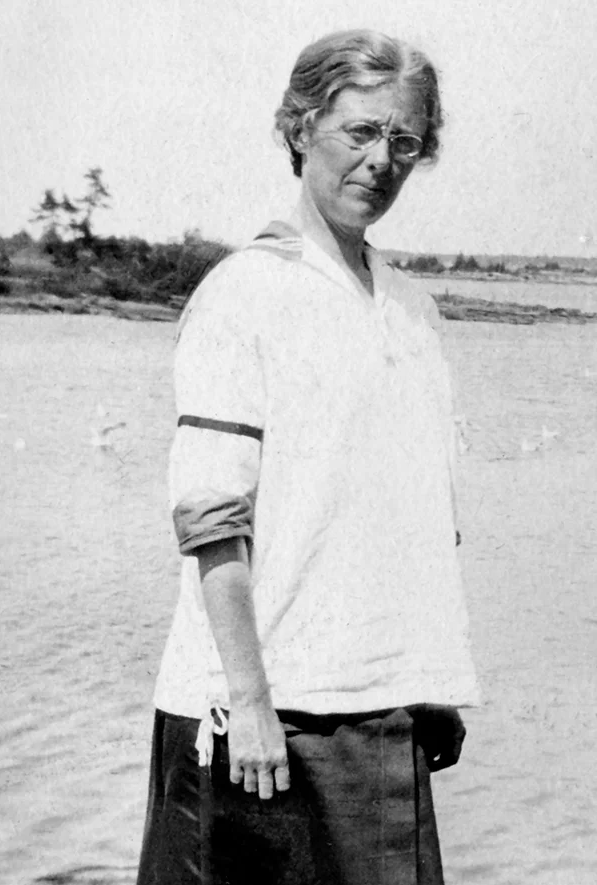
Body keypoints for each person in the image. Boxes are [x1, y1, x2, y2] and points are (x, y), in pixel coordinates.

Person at [136, 28, 480, 885]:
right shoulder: (243, 295)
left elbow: (413, 520)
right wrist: (249, 702)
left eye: (405, 141)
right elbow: (212, 521)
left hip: (380, 712)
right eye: (359, 131)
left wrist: (427, 679)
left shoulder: (414, 313)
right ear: (300, 128)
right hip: (258, 720)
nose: (381, 160)